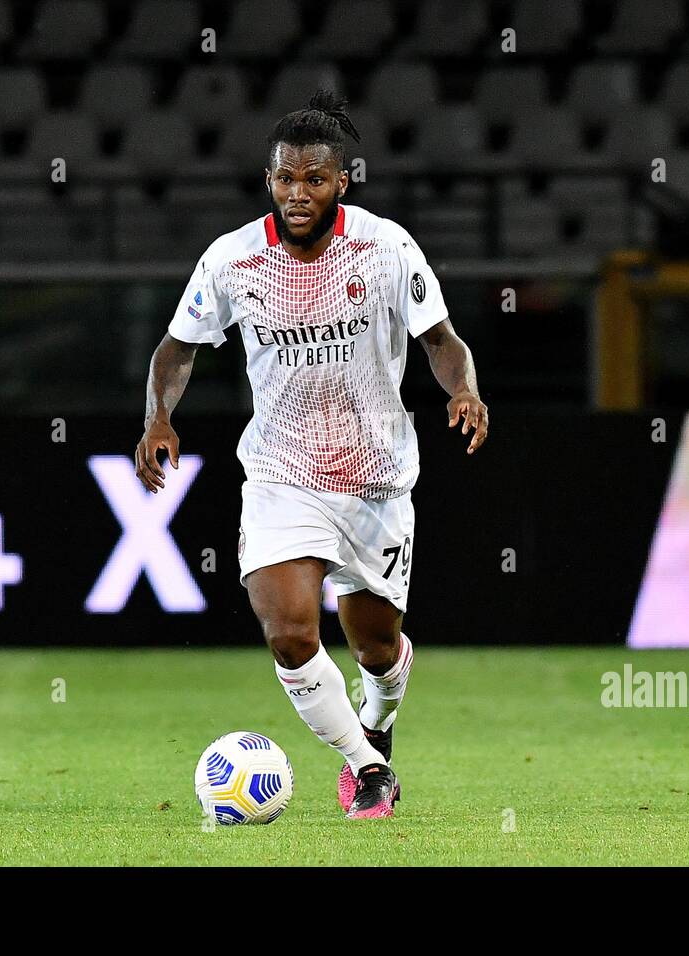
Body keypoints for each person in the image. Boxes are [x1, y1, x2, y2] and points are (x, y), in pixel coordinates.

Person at [136, 90, 488, 818]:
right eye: (284, 179)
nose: (297, 194)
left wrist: (464, 391)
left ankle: (378, 722)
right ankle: (367, 769)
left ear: (341, 183)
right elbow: (176, 349)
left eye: (314, 180)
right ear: (269, 179)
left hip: (376, 478)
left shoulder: (386, 248)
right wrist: (158, 417)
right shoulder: (233, 261)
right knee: (291, 632)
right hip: (280, 472)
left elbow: (440, 340)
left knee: (377, 649)